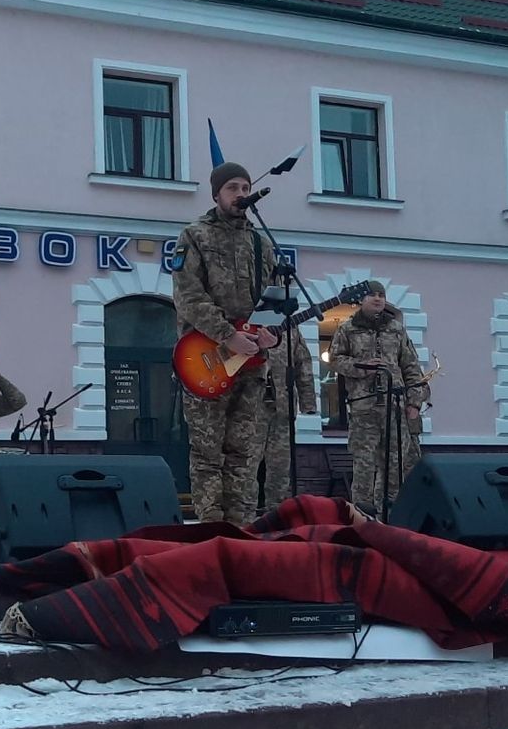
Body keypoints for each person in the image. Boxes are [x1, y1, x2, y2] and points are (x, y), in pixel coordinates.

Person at [173, 161, 280, 524]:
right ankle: (211, 527)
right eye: (232, 187)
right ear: (216, 193)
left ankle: (241, 525)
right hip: (207, 355)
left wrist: (270, 333)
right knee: (208, 451)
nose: (241, 194)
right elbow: (189, 296)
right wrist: (228, 335)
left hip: (251, 361)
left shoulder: (260, 243)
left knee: (243, 451)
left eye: (245, 187)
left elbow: (270, 299)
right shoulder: (194, 235)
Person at [327, 283, 425, 514]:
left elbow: (411, 367)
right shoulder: (348, 329)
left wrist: (414, 403)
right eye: (372, 295)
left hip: (395, 406)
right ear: (362, 299)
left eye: (381, 295)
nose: (378, 299)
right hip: (364, 406)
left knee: (394, 465)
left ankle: (390, 515)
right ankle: (362, 516)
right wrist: (361, 368)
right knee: (364, 464)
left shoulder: (396, 329)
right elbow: (334, 359)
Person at [258, 336, 317, 510]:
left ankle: (275, 512)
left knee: (280, 465)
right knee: (244, 465)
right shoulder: (244, 320)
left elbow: (303, 364)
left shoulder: (289, 328)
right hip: (248, 408)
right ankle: (242, 515)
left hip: (282, 407)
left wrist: (308, 403)